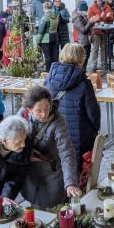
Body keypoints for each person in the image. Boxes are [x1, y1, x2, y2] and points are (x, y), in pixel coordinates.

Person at [18, 85, 80, 209]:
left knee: (55, 211)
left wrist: (70, 183)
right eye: (39, 111)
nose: (44, 114)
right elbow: (14, 144)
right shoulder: (22, 117)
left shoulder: (57, 120)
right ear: (29, 110)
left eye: (47, 108)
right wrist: (27, 154)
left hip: (52, 173)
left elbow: (66, 151)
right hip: (30, 175)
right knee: (36, 211)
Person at [44, 44, 101, 173]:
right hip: (80, 137)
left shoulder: (49, 79)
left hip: (55, 135)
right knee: (79, 174)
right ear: (80, 59)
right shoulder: (84, 83)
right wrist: (94, 130)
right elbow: (93, 114)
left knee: (61, 170)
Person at [87, 0, 114, 73]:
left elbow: (111, 18)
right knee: (95, 48)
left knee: (103, 48)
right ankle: (94, 65)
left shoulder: (107, 6)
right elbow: (90, 18)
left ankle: (103, 63)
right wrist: (101, 17)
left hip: (105, 30)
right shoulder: (92, 7)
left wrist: (107, 16)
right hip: (96, 31)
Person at [72, 1, 97, 70]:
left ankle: (83, 72)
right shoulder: (77, 19)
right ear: (82, 10)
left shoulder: (83, 17)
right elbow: (83, 30)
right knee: (83, 59)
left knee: (86, 58)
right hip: (83, 42)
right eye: (86, 10)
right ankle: (81, 73)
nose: (87, 11)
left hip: (86, 41)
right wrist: (90, 22)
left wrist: (92, 22)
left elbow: (88, 27)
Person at [36, 1, 60, 72]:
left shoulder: (45, 18)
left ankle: (48, 70)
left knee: (47, 55)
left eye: (43, 8)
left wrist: (38, 41)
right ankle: (55, 70)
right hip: (54, 38)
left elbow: (41, 31)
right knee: (54, 56)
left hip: (45, 40)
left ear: (45, 8)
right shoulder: (55, 16)